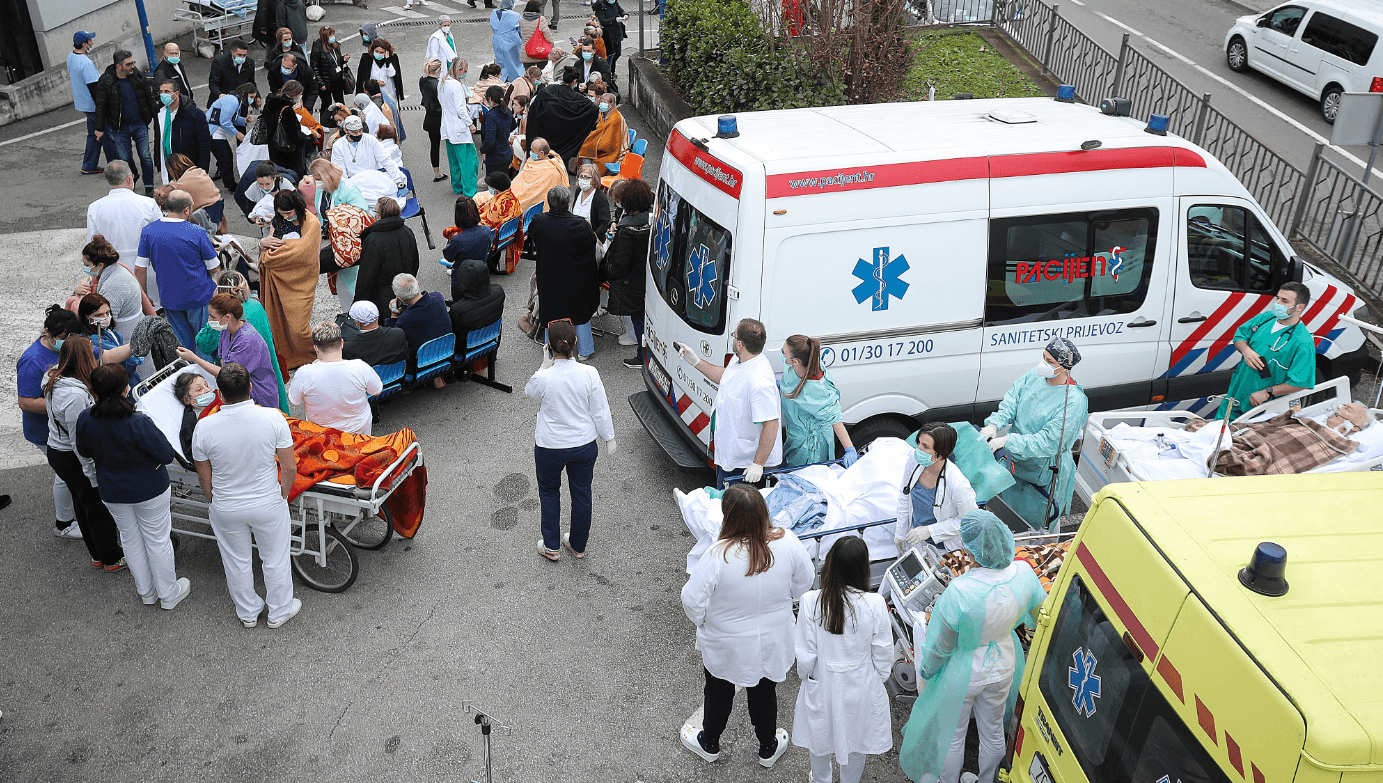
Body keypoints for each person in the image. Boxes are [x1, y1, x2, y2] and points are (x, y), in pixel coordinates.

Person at [899, 510, 1048, 783]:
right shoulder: (1024, 573)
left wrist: (927, 672)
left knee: (952, 735)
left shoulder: (960, 591)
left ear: (972, 552)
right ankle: (988, 779)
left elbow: (941, 644)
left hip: (962, 670)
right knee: (992, 731)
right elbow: (1042, 615)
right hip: (1003, 662)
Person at [680, 483, 812, 768]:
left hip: (726, 642)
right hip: (774, 638)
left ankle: (710, 743)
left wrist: (704, 620)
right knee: (765, 692)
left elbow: (691, 599)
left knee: (719, 690)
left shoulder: (719, 554)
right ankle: (768, 747)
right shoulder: (787, 541)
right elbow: (806, 581)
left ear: (729, 516)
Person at [191, 362, 303, 629]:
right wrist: (283, 495)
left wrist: (212, 499)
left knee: (236, 562)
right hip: (267, 502)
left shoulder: (204, 427)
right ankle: (279, 611)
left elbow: (204, 476)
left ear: (219, 393)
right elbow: (288, 466)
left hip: (227, 506)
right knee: (275, 559)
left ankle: (248, 612)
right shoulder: (273, 417)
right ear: (251, 388)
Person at [76, 364, 191, 609]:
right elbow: (165, 454)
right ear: (126, 389)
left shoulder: (86, 418)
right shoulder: (138, 421)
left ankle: (146, 592)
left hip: (111, 490)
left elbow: (84, 450)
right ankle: (168, 593)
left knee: (130, 539)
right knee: (158, 540)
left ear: (93, 392)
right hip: (149, 488)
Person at [792, 537, 892, 783]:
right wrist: (876, 678)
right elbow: (883, 653)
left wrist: (807, 676)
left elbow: (805, 654)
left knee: (819, 740)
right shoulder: (875, 604)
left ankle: (821, 778)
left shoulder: (810, 601)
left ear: (830, 564)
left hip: (822, 684)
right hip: (860, 685)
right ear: (863, 568)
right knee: (856, 742)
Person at [524, 320, 616, 561]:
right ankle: (577, 545)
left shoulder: (545, 378)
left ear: (549, 347)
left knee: (549, 492)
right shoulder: (589, 373)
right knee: (582, 493)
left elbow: (529, 391)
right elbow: (600, 410)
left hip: (550, 447)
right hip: (583, 445)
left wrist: (544, 367)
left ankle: (551, 546)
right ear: (575, 342)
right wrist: (609, 437)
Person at [980, 336, 1089, 530]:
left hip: (1043, 471)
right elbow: (1012, 401)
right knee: (1006, 519)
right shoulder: (1035, 376)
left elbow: (1048, 442)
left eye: (1050, 361)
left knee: (1037, 530)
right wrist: (994, 425)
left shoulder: (1072, 402)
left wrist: (1007, 441)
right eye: (1043, 357)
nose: (1043, 363)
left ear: (1064, 368)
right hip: (1015, 463)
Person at [45, 336, 126, 571]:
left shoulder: (54, 378)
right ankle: (111, 558)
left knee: (83, 505)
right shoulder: (74, 396)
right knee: (97, 509)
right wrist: (92, 474)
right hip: (71, 456)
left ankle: (98, 555)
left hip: (58, 451)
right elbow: (79, 438)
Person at [676, 319, 783, 488]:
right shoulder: (741, 359)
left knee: (732, 510)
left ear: (740, 344)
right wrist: (696, 362)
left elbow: (771, 425)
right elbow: (727, 377)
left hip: (744, 466)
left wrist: (758, 464)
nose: (732, 339)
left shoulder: (759, 382)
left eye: (734, 336)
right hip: (729, 454)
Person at [19, 306, 84, 539]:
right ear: (48, 333)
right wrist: (62, 405)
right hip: (45, 430)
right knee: (66, 473)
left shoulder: (67, 345)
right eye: (64, 338)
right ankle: (64, 523)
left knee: (70, 471)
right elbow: (25, 401)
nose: (68, 342)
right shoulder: (32, 360)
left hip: (64, 423)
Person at [135, 190, 219, 355]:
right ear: (187, 210)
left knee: (183, 346)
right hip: (199, 296)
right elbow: (215, 268)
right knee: (205, 344)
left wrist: (144, 294)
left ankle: (190, 375)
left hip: (169, 298)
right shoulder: (198, 232)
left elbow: (139, 268)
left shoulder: (148, 231)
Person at [1218, 282, 1316, 420]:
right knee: (1220, 431)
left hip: (1265, 408)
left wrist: (1268, 392)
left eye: (1285, 301)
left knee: (1246, 439)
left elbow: (1301, 383)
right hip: (1238, 393)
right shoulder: (1266, 318)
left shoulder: (1303, 341)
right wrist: (1246, 351)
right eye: (1278, 298)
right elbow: (1239, 336)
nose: (1278, 303)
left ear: (1300, 307)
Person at [195, 271, 290, 414]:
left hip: (248, 390)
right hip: (266, 375)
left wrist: (194, 357)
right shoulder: (255, 305)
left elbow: (204, 345)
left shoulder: (226, 322)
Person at [176, 293, 281, 410]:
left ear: (227, 317)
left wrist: (194, 358)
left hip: (258, 396)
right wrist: (225, 368)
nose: (209, 320)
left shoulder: (247, 341)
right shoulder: (226, 331)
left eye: (212, 317)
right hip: (239, 392)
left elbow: (227, 374)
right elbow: (223, 361)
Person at [531, 187, 600, 360]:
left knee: (551, 313)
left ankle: (551, 350)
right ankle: (585, 350)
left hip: (549, 277)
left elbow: (533, 236)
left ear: (549, 203)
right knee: (579, 314)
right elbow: (592, 244)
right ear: (569, 203)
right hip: (577, 277)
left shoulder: (540, 221)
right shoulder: (580, 224)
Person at [257, 190, 322, 370]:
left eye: (288, 213)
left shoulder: (312, 223)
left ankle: (312, 352)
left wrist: (275, 253)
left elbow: (304, 254)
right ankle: (288, 356)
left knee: (299, 326)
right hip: (278, 277)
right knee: (279, 320)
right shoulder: (279, 220)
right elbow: (270, 242)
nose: (285, 217)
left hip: (300, 280)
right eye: (281, 213)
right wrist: (262, 244)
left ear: (297, 207)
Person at [893, 422, 977, 555]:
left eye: (925, 447)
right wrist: (900, 533)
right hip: (915, 541)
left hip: (943, 549)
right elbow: (904, 496)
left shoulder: (958, 484)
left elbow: (968, 522)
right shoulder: (914, 462)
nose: (918, 449)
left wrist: (929, 531)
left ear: (940, 455)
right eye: (919, 443)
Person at [776, 334, 857, 468]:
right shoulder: (801, 363)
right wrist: (782, 386)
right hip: (795, 436)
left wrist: (849, 449)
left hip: (810, 448)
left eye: (783, 352)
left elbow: (835, 418)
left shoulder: (815, 388)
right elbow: (790, 381)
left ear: (795, 361)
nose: (781, 353)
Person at [289, 322, 383, 435]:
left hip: (322, 434)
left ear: (316, 348)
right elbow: (377, 390)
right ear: (342, 343)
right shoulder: (360, 367)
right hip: (358, 431)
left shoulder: (304, 373)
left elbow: (295, 400)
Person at [87, 162, 163, 296]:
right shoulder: (148, 204)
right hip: (148, 274)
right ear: (129, 179)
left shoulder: (95, 208)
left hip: (113, 275)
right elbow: (161, 239)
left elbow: (92, 247)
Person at [599, 178, 649, 369]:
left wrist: (605, 270)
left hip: (632, 283)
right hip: (648, 278)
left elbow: (619, 265)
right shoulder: (652, 219)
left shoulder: (627, 231)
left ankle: (642, 357)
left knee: (639, 319)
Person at [93, 50, 157, 195]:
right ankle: (133, 174)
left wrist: (155, 119)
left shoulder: (138, 77)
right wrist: (99, 128)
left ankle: (149, 185)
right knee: (125, 158)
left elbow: (149, 98)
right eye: (128, 64)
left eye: (132, 62)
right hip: (119, 128)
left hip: (139, 124)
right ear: (118, 66)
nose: (132, 66)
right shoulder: (105, 81)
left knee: (145, 156)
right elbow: (100, 105)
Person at [354, 198, 420, 317]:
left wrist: (358, 304)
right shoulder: (407, 232)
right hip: (407, 292)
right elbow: (415, 262)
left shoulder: (373, 240)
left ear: (379, 216)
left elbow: (366, 277)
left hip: (383, 298)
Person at [76, 235, 146, 341]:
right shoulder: (119, 270)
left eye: (87, 264)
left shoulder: (111, 288)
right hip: (137, 334)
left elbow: (100, 323)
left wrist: (76, 297)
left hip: (125, 342)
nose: (84, 267)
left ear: (100, 265)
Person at [384, 274, 452, 385]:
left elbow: (392, 341)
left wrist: (394, 316)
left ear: (400, 299)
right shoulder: (437, 297)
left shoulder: (405, 320)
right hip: (445, 350)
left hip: (419, 363)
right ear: (418, 284)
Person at [526, 66, 599, 166]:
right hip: (565, 144)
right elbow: (593, 109)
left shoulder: (549, 91)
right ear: (575, 81)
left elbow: (535, 109)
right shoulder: (578, 99)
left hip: (545, 138)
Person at [69, 31, 114, 175]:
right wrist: (103, 107)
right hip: (93, 105)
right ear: (84, 44)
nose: (92, 43)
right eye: (90, 41)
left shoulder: (71, 57)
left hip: (83, 104)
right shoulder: (86, 63)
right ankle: (114, 167)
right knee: (105, 134)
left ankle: (89, 164)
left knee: (93, 134)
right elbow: (95, 88)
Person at [151, 78, 212, 186]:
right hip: (167, 164)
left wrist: (202, 170)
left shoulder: (194, 115)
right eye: (161, 92)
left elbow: (204, 144)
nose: (162, 95)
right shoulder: (160, 112)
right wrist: (158, 161)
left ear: (176, 94)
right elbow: (158, 138)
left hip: (186, 168)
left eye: (167, 92)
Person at [207, 84, 259, 192]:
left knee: (226, 157)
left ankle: (230, 184)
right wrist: (237, 133)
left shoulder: (234, 100)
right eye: (251, 97)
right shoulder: (233, 101)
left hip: (216, 131)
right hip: (214, 131)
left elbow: (231, 118)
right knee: (225, 158)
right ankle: (230, 185)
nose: (252, 100)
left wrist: (244, 121)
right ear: (244, 94)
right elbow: (225, 121)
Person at [449, 258, 506, 357]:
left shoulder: (458, 310)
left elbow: (454, 335)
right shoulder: (499, 292)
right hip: (490, 339)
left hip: (466, 349)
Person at [77, 293, 140, 382]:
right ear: (87, 316)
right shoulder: (94, 340)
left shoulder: (109, 332)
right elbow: (129, 360)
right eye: (99, 315)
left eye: (107, 313)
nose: (105, 317)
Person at [439, 58, 479, 197]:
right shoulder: (456, 85)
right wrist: (471, 123)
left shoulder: (442, 82)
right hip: (459, 128)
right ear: (459, 70)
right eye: (465, 71)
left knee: (454, 161)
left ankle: (457, 187)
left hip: (447, 127)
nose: (465, 74)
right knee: (469, 161)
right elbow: (460, 109)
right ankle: (470, 190)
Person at [493, 137, 567, 211]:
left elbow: (535, 192)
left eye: (532, 150)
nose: (530, 152)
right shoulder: (531, 160)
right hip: (515, 190)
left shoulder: (552, 171)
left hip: (528, 201)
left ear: (541, 153)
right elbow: (521, 178)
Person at [330, 115, 404, 185]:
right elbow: (340, 171)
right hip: (353, 182)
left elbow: (386, 160)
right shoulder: (338, 146)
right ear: (346, 130)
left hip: (373, 179)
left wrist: (398, 180)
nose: (358, 134)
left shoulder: (370, 139)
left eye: (360, 131)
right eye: (354, 132)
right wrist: (347, 188)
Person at [341, 300, 410, 368]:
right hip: (397, 377)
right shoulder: (398, 334)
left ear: (357, 322)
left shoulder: (349, 348)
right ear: (377, 315)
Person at [479, 171, 523, 274]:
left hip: (495, 236)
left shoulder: (499, 205)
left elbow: (487, 222)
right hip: (506, 233)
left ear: (496, 189)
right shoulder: (511, 197)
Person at [167, 153, 226, 230]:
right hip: (217, 216)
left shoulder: (178, 185)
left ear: (171, 169)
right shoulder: (200, 172)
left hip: (202, 221)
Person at [260, 80, 306, 177]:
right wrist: (306, 138)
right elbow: (294, 136)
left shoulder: (270, 104)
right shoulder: (287, 111)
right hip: (289, 153)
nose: (301, 97)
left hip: (274, 148)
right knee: (292, 177)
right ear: (294, 95)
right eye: (300, 94)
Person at [577, 94, 627, 177]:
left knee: (586, 151)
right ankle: (588, 175)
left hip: (611, 152)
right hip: (603, 146)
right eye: (601, 101)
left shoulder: (615, 119)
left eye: (604, 102)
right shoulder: (603, 114)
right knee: (585, 149)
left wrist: (593, 145)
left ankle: (591, 176)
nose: (601, 104)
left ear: (611, 105)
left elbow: (610, 142)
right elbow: (600, 130)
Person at [443, 195, 495, 276]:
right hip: (481, 272)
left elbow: (449, 257)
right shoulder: (486, 230)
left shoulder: (457, 239)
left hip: (462, 276)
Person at [311, 27, 351, 126]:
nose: (333, 37)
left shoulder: (335, 45)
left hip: (337, 79)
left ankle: (343, 118)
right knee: (326, 103)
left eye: (333, 34)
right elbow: (314, 67)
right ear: (325, 37)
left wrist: (343, 59)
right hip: (325, 81)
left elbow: (336, 60)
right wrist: (321, 83)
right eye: (331, 35)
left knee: (340, 101)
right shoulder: (317, 48)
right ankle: (324, 122)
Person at [419, 59, 446, 183]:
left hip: (429, 117)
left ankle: (437, 172)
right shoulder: (439, 85)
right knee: (452, 146)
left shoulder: (422, 81)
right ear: (439, 70)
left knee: (434, 146)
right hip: (441, 117)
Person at [480, 86, 516, 177]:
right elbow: (513, 125)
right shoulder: (506, 111)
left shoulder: (490, 116)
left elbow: (490, 140)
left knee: (494, 185)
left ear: (490, 99)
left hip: (494, 157)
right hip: (506, 153)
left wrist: (483, 150)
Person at [208, 40, 257, 104]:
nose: (242, 57)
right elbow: (213, 83)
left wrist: (256, 96)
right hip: (221, 102)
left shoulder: (250, 63)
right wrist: (220, 94)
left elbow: (251, 82)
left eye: (244, 55)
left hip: (240, 103)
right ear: (232, 52)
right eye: (239, 55)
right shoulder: (220, 62)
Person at [356, 38, 404, 104]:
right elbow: (362, 78)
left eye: (381, 52)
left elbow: (392, 73)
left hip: (389, 93)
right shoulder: (366, 59)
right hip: (373, 95)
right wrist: (375, 83)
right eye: (376, 51)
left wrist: (387, 60)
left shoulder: (393, 58)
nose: (378, 54)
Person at [571, 163, 612, 236]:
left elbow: (605, 224)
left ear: (594, 180)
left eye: (586, 177)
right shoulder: (578, 192)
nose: (583, 179)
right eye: (581, 176)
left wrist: (593, 236)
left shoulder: (600, 198)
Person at [152, 42, 195, 107]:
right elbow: (158, 94)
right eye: (171, 54)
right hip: (177, 106)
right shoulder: (161, 71)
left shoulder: (178, 64)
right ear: (165, 54)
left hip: (186, 102)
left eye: (176, 53)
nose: (174, 56)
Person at [591, 0, 628, 77]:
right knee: (610, 54)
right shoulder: (600, 5)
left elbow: (621, 10)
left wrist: (625, 15)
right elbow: (603, 21)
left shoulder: (614, 2)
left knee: (617, 53)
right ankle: (609, 71)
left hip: (617, 32)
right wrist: (615, 20)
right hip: (607, 34)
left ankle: (610, 69)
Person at [491, 0, 525, 81]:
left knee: (500, 62)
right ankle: (516, 81)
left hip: (497, 41)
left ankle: (500, 80)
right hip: (511, 41)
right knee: (514, 63)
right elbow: (520, 29)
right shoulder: (515, 15)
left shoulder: (494, 13)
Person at [519, 4, 549, 69]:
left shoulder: (521, 20)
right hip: (540, 50)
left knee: (529, 74)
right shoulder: (541, 19)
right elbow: (547, 34)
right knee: (542, 73)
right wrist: (551, 45)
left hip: (527, 50)